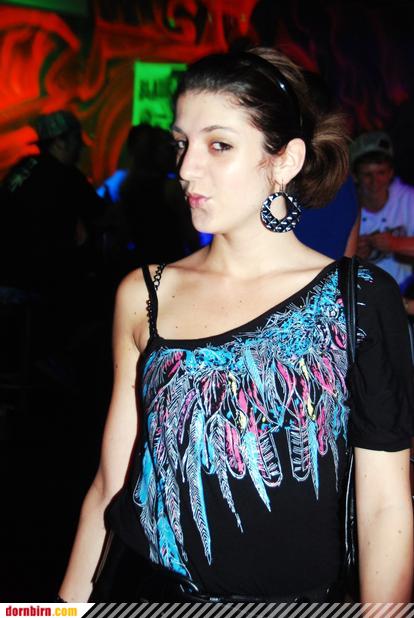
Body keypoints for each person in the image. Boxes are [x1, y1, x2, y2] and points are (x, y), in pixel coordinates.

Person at [58, 48, 414, 603]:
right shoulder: (146, 293)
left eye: (218, 145)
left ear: (285, 161)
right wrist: (58, 613)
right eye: (182, 143)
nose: (185, 169)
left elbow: (385, 506)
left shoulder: (359, 300)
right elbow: (111, 484)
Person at [352, 131, 414, 292]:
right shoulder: (345, 207)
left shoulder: (408, 198)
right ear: (355, 176)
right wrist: (352, 256)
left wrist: (395, 243)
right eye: (367, 175)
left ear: (391, 173)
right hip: (363, 295)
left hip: (406, 290)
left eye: (381, 173)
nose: (375, 182)